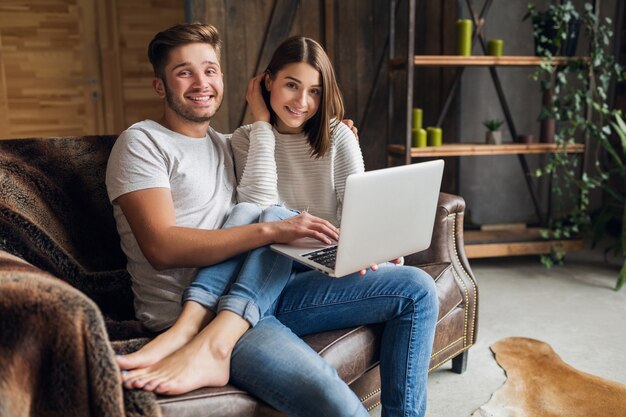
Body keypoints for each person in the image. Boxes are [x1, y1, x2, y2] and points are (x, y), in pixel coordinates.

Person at [107, 22, 438, 417]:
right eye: (184, 72)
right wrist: (275, 227)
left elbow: (277, 175)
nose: (201, 82)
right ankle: (197, 338)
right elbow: (161, 248)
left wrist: (368, 242)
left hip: (263, 289)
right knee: (339, 406)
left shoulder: (224, 143)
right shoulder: (142, 142)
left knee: (417, 288)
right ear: (160, 85)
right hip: (195, 309)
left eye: (210, 69)